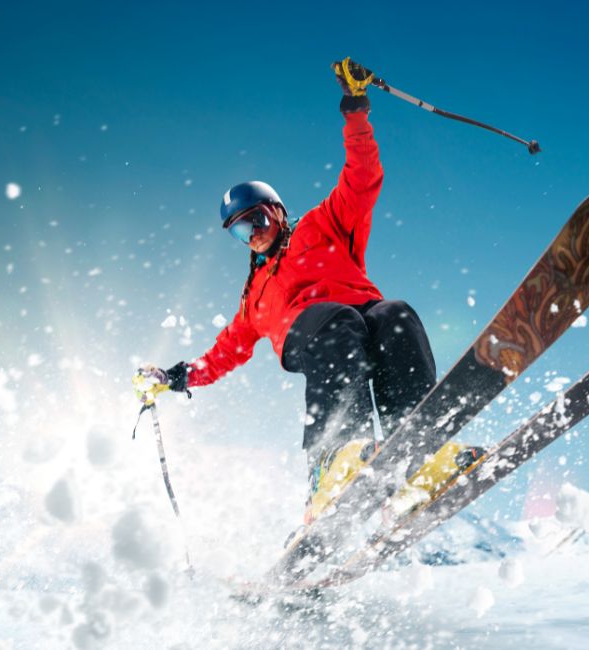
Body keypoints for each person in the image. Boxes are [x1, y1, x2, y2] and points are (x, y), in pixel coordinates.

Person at [158, 58, 440, 525]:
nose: (252, 235)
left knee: (395, 315)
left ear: (278, 212)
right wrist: (176, 376)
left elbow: (362, 177)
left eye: (257, 220)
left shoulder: (322, 225)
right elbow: (222, 355)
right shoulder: (255, 298)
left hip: (362, 313)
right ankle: (333, 461)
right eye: (239, 232)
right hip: (315, 333)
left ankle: (416, 446)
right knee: (338, 322)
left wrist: (356, 110)